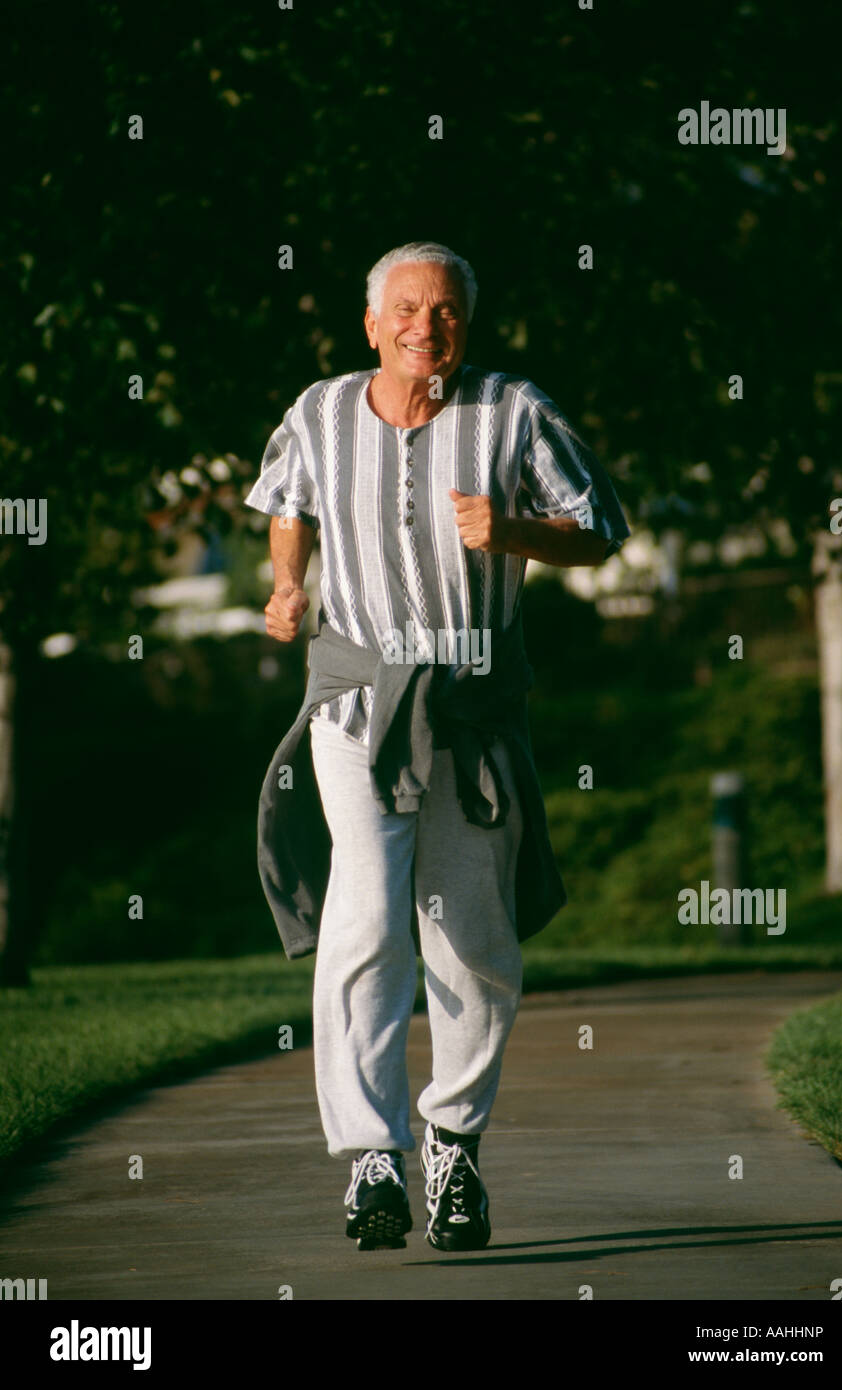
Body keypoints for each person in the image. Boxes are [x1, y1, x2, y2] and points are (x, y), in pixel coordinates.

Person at [245, 241, 630, 1252]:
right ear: (370, 324)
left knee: (471, 936)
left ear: (469, 322)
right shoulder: (320, 411)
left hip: (472, 704)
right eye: (408, 309)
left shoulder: (514, 413)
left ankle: (452, 1142)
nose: (428, 325)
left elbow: (600, 525)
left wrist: (514, 532)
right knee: (367, 911)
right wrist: (288, 583)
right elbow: (288, 503)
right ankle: (374, 1155)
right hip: (357, 698)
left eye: (447, 309)